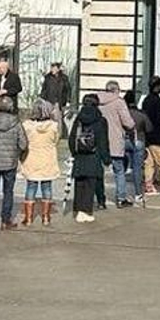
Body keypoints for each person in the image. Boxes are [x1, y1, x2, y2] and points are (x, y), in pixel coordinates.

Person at [0, 94, 28, 231]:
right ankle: (5, 220)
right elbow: (23, 143)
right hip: (10, 162)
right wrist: (18, 153)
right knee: (8, 192)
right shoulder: (16, 122)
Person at [19, 101, 62, 225]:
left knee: (30, 187)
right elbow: (56, 141)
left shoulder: (26, 125)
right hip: (47, 158)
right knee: (47, 187)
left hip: (31, 158)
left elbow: (23, 142)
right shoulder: (54, 126)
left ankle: (28, 218)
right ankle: (46, 217)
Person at [69, 94, 108, 224]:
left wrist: (74, 153)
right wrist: (106, 158)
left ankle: (78, 209)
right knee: (90, 185)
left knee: (79, 184)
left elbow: (72, 138)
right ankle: (85, 211)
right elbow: (103, 141)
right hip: (93, 156)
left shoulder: (78, 119)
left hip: (80, 156)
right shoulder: (100, 120)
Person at [98, 81, 137, 208]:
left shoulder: (98, 101)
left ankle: (100, 200)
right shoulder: (119, 102)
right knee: (119, 171)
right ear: (116, 90)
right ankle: (121, 198)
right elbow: (128, 123)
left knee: (99, 172)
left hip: (100, 142)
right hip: (115, 141)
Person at [125, 89, 148, 205]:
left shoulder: (123, 113)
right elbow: (149, 128)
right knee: (137, 169)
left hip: (124, 140)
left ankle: (121, 194)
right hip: (138, 139)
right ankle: (138, 193)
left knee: (120, 170)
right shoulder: (141, 114)